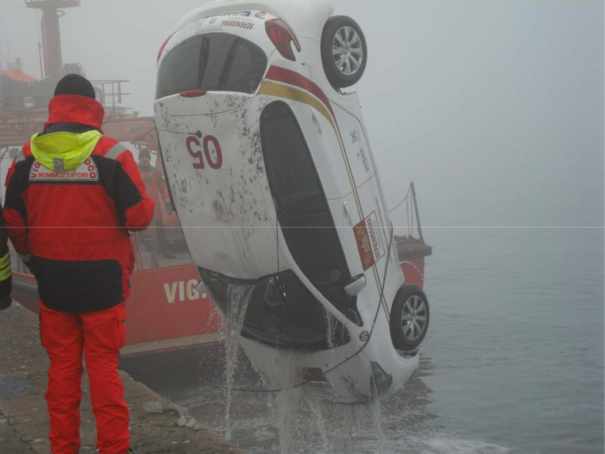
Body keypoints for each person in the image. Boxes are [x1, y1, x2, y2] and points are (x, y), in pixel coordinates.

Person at [3, 74, 154, 454]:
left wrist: (33, 257)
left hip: (53, 280)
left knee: (62, 370)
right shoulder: (113, 155)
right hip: (104, 281)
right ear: (92, 106)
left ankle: (63, 447)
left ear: (55, 106)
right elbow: (139, 217)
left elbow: (14, 221)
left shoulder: (25, 158)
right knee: (104, 369)